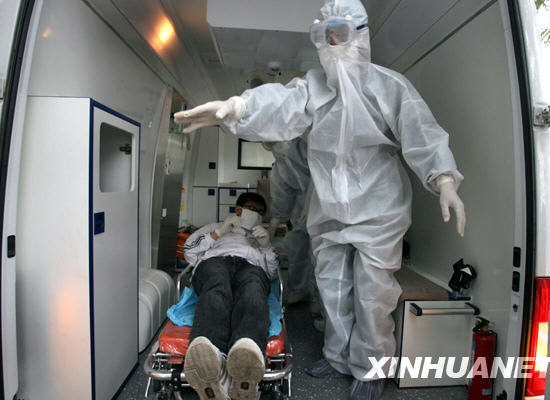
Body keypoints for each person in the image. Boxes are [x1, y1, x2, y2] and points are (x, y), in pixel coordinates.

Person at [175, 1, 466, 398]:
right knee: (331, 289)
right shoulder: (313, 88)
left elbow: (422, 133)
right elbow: (281, 103)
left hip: (379, 211)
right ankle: (337, 355)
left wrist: (444, 179)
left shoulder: (390, 87)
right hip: (328, 212)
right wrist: (236, 108)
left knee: (372, 295)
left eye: (339, 34)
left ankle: (371, 369)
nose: (331, 44)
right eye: (324, 36)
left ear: (360, 34)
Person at [181, 192, 277, 400]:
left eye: (261, 212)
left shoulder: (261, 234)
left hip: (251, 267)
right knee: (217, 285)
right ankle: (211, 359)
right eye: (252, 209)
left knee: (253, 289)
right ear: (238, 209)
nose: (256, 214)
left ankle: (246, 355)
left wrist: (266, 246)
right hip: (215, 262)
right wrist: (219, 232)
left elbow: (272, 274)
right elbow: (188, 251)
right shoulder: (214, 227)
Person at [264, 135, 319, 309]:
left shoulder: (310, 146)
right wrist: (272, 227)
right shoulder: (281, 164)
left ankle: (319, 302)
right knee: (298, 249)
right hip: (301, 213)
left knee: (320, 255)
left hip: (325, 207)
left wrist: (310, 206)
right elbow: (282, 195)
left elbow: (320, 177)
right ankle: (299, 290)